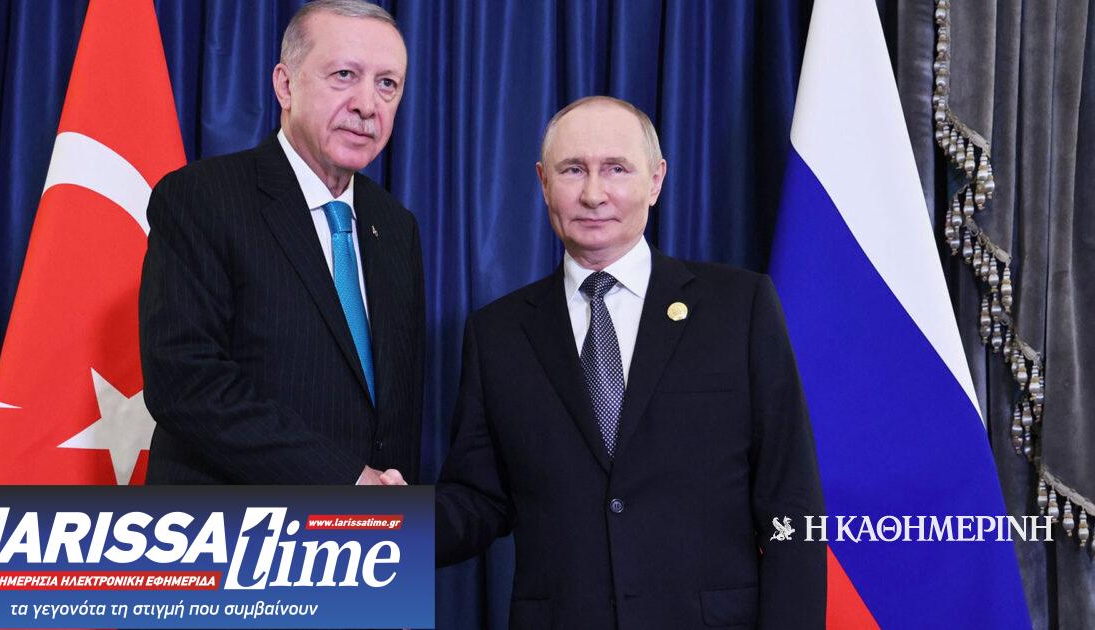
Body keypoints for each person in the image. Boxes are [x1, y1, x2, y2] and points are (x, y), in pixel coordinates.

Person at [435, 96, 825, 628]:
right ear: (543, 182)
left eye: (616, 169)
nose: (594, 194)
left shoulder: (740, 307)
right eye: (573, 170)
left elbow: (792, 503)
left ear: (656, 180)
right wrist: (377, 529)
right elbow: (479, 501)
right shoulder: (497, 333)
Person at [139, 0, 422, 486]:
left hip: (370, 527)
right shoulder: (202, 197)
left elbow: (395, 412)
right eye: (344, 75)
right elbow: (185, 383)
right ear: (285, 85)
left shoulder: (397, 226)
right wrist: (344, 479)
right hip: (237, 523)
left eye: (387, 84)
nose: (367, 105)